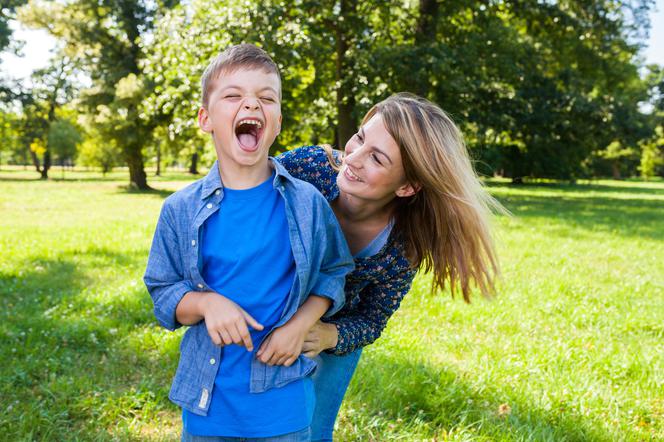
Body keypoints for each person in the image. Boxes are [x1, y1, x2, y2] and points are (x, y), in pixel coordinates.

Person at [143, 44, 354, 442]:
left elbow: (333, 271)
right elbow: (163, 291)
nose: (251, 105)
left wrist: (301, 323)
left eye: (266, 98)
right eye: (234, 95)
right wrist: (207, 303)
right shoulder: (180, 209)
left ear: (276, 122)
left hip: (284, 402)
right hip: (209, 404)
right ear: (205, 118)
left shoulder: (307, 203)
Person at [272, 92, 503, 441]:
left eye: (377, 158)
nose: (353, 157)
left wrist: (329, 336)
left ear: (408, 186)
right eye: (361, 137)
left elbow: (373, 318)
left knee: (312, 430)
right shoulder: (308, 169)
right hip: (269, 309)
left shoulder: (401, 245)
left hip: (331, 332)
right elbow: (241, 199)